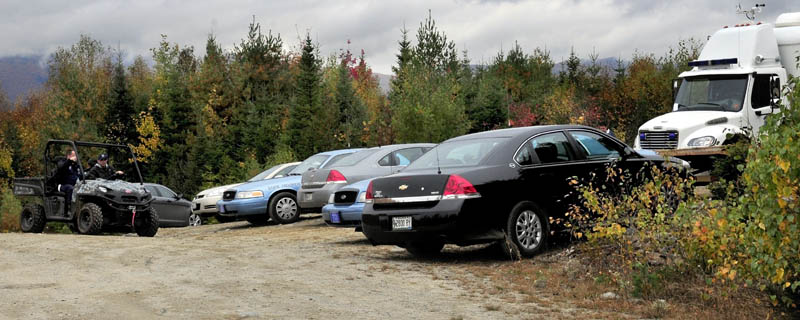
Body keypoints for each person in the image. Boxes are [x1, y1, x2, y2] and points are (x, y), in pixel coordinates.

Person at [54, 149, 81, 216]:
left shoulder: (76, 165)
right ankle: (68, 209)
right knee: (70, 188)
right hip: (62, 185)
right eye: (74, 155)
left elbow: (79, 175)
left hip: (75, 185)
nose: (76, 157)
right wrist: (69, 161)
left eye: (76, 156)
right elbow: (61, 167)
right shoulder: (63, 162)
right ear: (69, 156)